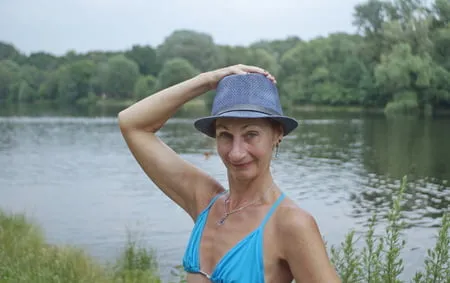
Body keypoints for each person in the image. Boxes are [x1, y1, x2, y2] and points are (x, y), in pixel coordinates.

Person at [118, 64, 341, 283]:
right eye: (225, 135)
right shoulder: (205, 201)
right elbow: (131, 123)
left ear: (277, 134)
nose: (236, 153)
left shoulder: (290, 224)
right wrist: (207, 80)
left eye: (251, 134)